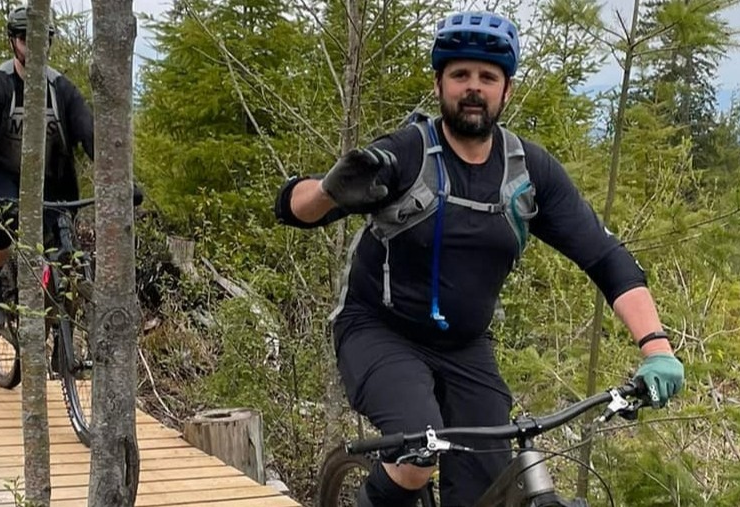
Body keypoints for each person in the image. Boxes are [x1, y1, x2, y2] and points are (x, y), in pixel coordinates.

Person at [273, 11, 686, 507]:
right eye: (460, 74)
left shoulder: (527, 172)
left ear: (506, 90)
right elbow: (293, 208)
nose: (473, 87)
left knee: (491, 489)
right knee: (416, 451)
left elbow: (605, 257)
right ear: (439, 84)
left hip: (466, 346)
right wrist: (327, 190)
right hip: (379, 331)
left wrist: (656, 348)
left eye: (488, 77)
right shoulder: (407, 153)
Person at [0, 6, 140, 327]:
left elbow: (92, 135)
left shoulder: (61, 89)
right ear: (13, 41)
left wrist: (124, 184)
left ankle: (60, 321)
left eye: (41, 39)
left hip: (52, 179)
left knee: (64, 239)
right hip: (4, 174)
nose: (34, 47)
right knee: (4, 218)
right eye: (25, 39)